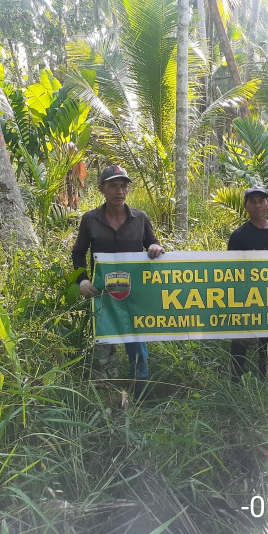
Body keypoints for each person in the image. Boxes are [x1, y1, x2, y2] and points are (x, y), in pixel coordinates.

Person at [72, 164, 165, 394]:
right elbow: (78, 252)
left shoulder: (140, 219)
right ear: (101, 188)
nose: (119, 191)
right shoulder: (90, 219)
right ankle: (108, 394)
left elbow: (153, 243)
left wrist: (155, 246)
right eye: (113, 186)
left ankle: (140, 392)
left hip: (134, 294)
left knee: (138, 345)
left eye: (123, 186)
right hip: (102, 294)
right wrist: (82, 280)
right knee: (105, 346)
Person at [227, 184, 268, 379]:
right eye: (252, 202)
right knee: (240, 340)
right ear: (245, 206)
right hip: (245, 298)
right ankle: (236, 380)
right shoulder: (238, 236)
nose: (257, 205)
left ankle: (267, 375)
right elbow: (230, 272)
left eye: (261, 201)